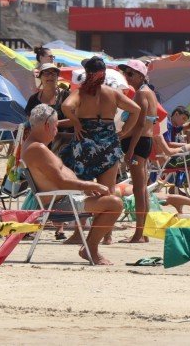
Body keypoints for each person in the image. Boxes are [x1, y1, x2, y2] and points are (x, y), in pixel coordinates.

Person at [22, 104, 122, 265]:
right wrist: (92, 186)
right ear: (47, 125)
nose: (56, 131)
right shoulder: (37, 149)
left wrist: (86, 189)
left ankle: (89, 247)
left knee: (113, 196)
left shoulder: (35, 146)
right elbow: (60, 181)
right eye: (55, 127)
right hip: (60, 203)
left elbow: (59, 178)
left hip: (66, 198)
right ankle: (91, 249)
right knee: (114, 204)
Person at [60, 56, 141, 197]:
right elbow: (136, 109)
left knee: (85, 192)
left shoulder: (81, 93)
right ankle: (103, 217)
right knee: (107, 192)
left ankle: (86, 219)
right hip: (109, 143)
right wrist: (125, 130)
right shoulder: (113, 93)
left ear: (86, 72)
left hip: (86, 142)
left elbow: (66, 106)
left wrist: (76, 122)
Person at [118, 59, 157, 243]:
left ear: (141, 75)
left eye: (131, 73)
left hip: (138, 143)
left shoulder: (141, 94)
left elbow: (141, 124)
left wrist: (130, 150)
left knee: (139, 189)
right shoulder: (148, 93)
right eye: (126, 73)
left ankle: (138, 234)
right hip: (143, 141)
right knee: (142, 189)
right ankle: (144, 233)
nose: (127, 76)